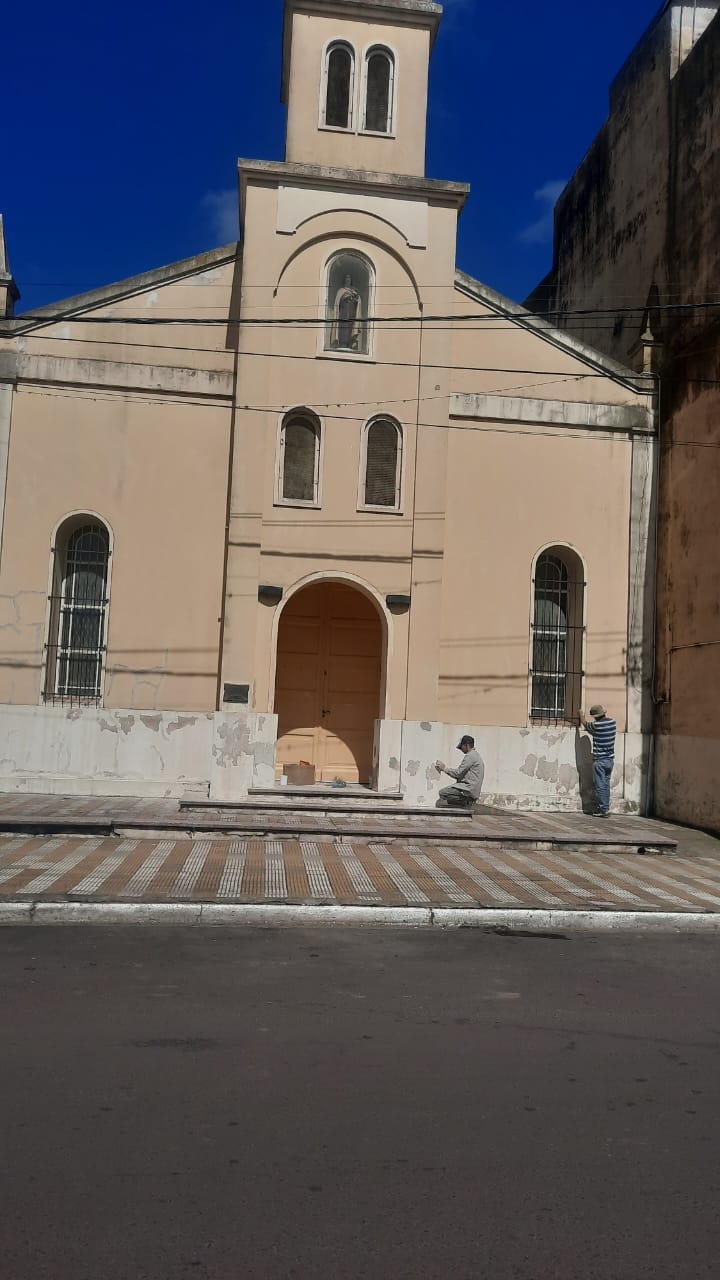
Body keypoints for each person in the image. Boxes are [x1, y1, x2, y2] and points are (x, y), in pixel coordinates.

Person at [579, 704, 617, 816]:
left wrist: (581, 714)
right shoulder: (612, 723)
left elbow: (585, 724)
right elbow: (595, 731)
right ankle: (605, 807)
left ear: (595, 716)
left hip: (600, 760)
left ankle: (603, 809)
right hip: (610, 760)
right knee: (606, 785)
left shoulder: (596, 725)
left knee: (600, 785)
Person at [435, 735, 485, 808]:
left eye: (462, 747)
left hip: (468, 789)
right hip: (471, 789)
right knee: (445, 797)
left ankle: (466, 802)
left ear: (467, 745)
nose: (461, 749)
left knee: (443, 793)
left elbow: (458, 773)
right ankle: (466, 802)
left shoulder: (470, 756)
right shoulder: (476, 755)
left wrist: (444, 768)